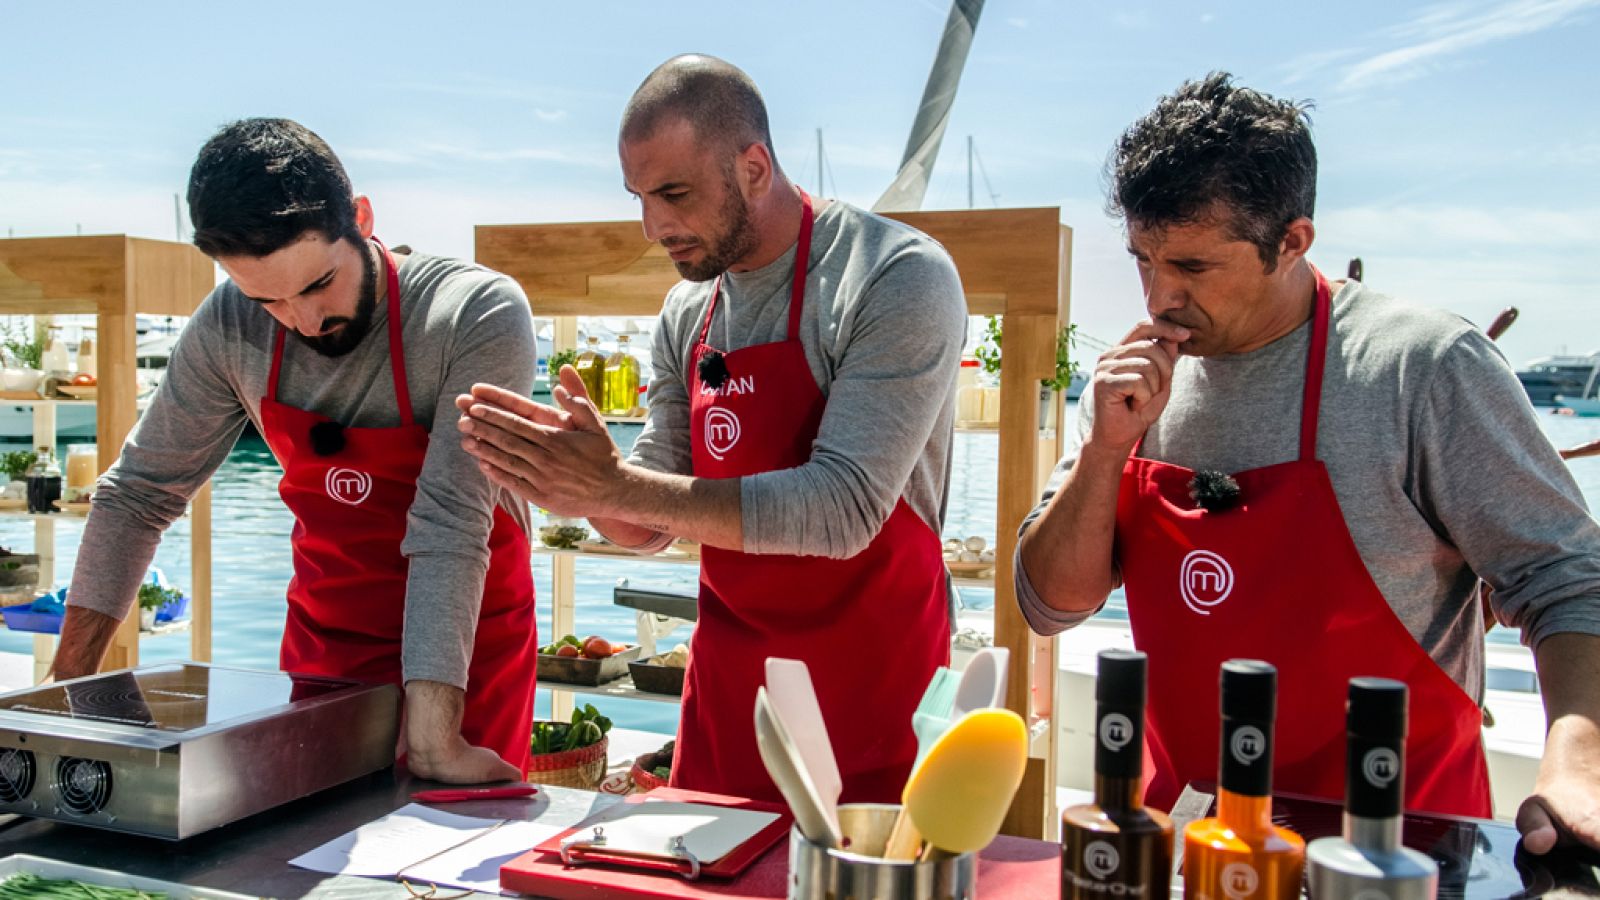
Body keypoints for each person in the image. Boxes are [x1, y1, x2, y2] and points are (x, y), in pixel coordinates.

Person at [1016, 74, 1600, 852]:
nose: (1159, 298)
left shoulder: (1421, 367)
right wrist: (1103, 455)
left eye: (1192, 267)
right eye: (1142, 259)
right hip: (1184, 837)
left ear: (1292, 241)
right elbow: (1051, 605)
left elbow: (1566, 578)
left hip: (1393, 844)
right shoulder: (1132, 381)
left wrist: (1579, 765)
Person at [456, 55, 967, 803]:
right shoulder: (687, 312)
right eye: (639, 196)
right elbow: (645, 526)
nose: (654, 225)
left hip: (871, 699)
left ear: (754, 165)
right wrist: (567, 481)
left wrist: (617, 485)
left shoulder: (895, 275)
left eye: (674, 193)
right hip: (732, 703)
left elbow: (845, 510)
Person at [54, 119, 539, 784]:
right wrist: (60, 696)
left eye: (317, 286)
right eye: (268, 300)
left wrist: (431, 739)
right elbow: (139, 495)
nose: (303, 323)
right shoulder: (230, 324)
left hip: (466, 656)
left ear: (363, 219)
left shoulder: (472, 313)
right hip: (323, 645)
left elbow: (450, 521)